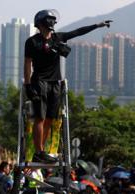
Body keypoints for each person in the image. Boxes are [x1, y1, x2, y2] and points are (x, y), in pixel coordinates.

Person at [24, 9, 112, 163]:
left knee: (50, 118)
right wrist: (27, 85)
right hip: (39, 82)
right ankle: (38, 150)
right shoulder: (32, 42)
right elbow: (27, 63)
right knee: (40, 117)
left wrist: (98, 25)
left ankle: (42, 151)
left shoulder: (58, 38)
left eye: (53, 19)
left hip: (55, 82)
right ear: (41, 23)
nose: (52, 22)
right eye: (49, 19)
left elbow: (78, 32)